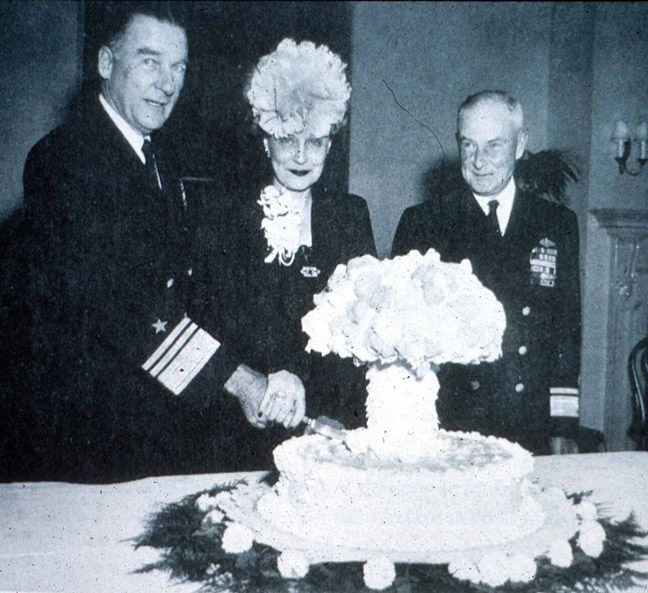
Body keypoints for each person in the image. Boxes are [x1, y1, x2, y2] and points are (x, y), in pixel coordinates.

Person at [17, 5, 304, 482]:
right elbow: (123, 306)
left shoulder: (160, 157)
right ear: (106, 63)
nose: (167, 84)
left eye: (179, 67)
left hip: (157, 427)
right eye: (149, 61)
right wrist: (242, 381)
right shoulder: (63, 160)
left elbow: (189, 288)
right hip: (87, 438)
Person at [208, 39, 376, 466]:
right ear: (266, 141)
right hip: (244, 426)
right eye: (287, 140)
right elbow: (214, 321)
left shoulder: (351, 215)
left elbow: (362, 328)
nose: (301, 156)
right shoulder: (224, 216)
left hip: (331, 428)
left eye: (315, 142)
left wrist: (322, 402)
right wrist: (264, 383)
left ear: (330, 144)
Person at [392, 90, 581, 455]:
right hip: (451, 425)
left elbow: (566, 332)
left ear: (520, 144)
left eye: (494, 146)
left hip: (529, 424)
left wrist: (563, 425)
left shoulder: (557, 224)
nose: (479, 161)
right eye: (469, 145)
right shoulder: (423, 223)